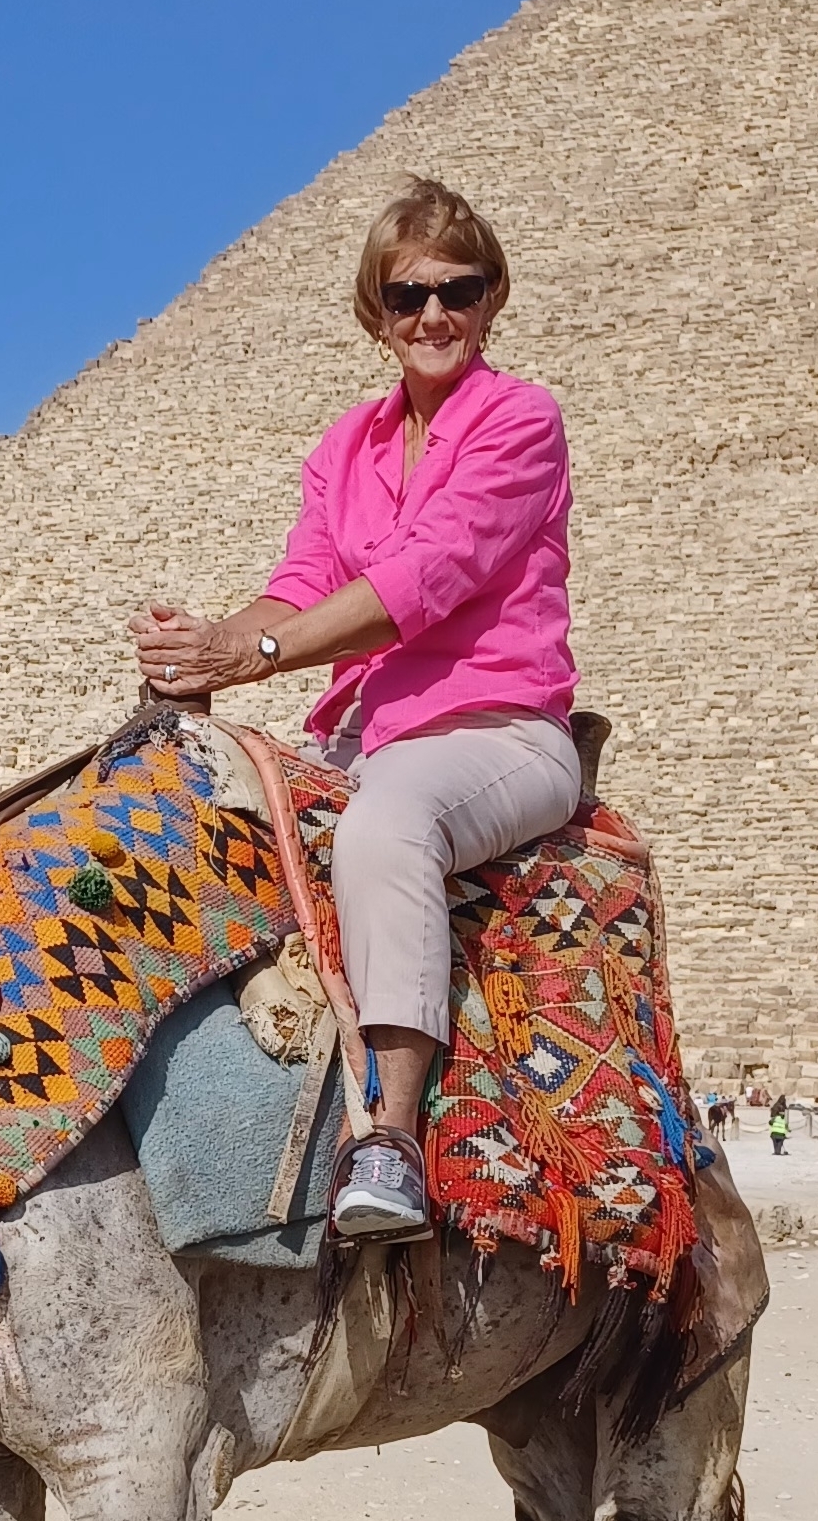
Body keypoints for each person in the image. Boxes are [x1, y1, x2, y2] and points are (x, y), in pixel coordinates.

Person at [128, 178, 577, 1242]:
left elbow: (429, 574)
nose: (433, 315)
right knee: (172, 808)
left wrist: (253, 651)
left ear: (493, 296)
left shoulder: (519, 420)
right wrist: (203, 653)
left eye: (457, 290)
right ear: (376, 311)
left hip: (496, 730)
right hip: (358, 730)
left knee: (387, 823)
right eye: (406, 293)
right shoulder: (346, 449)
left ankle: (391, 1135)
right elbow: (301, 584)